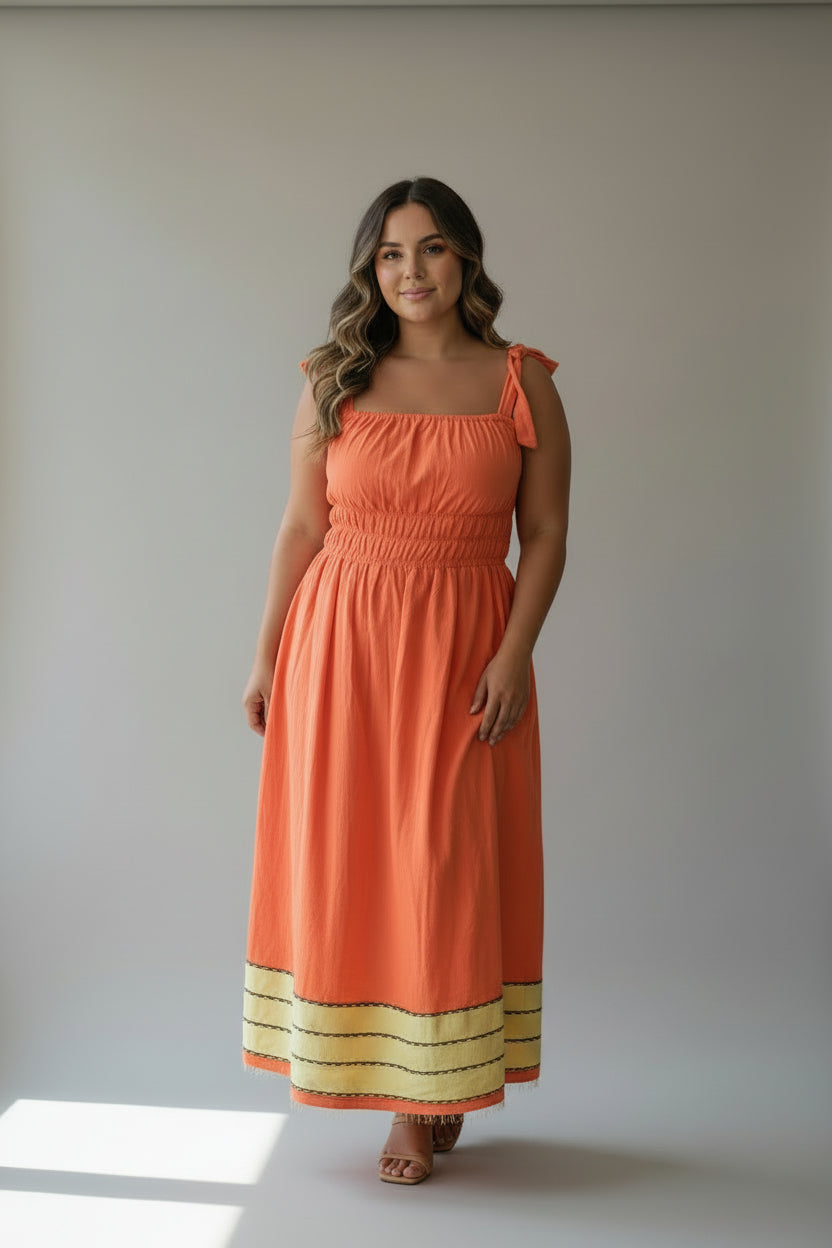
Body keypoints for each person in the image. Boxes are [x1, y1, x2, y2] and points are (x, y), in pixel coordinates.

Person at [240, 176, 571, 1186]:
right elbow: (302, 525)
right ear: (369, 268)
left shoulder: (520, 379)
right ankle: (409, 1104)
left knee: (441, 863)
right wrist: (266, 653)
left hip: (466, 648)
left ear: (464, 257)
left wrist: (514, 653)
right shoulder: (332, 376)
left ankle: (434, 1082)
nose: (410, 271)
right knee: (357, 862)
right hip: (340, 644)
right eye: (389, 253)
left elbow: (545, 532)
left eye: (429, 248)